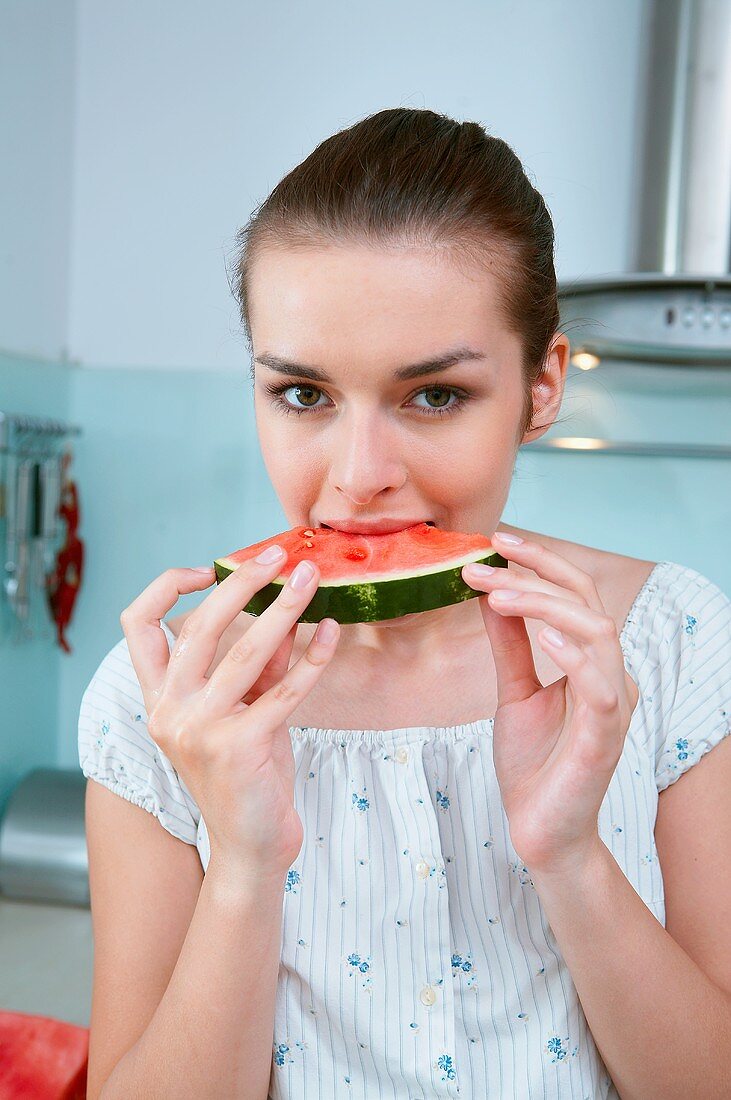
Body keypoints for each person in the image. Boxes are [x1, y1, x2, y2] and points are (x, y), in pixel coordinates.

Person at [78, 108, 731, 1099]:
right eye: (302, 394)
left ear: (540, 385)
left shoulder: (673, 642)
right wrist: (246, 864)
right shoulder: (161, 698)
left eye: (432, 395)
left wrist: (568, 855)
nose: (357, 476)